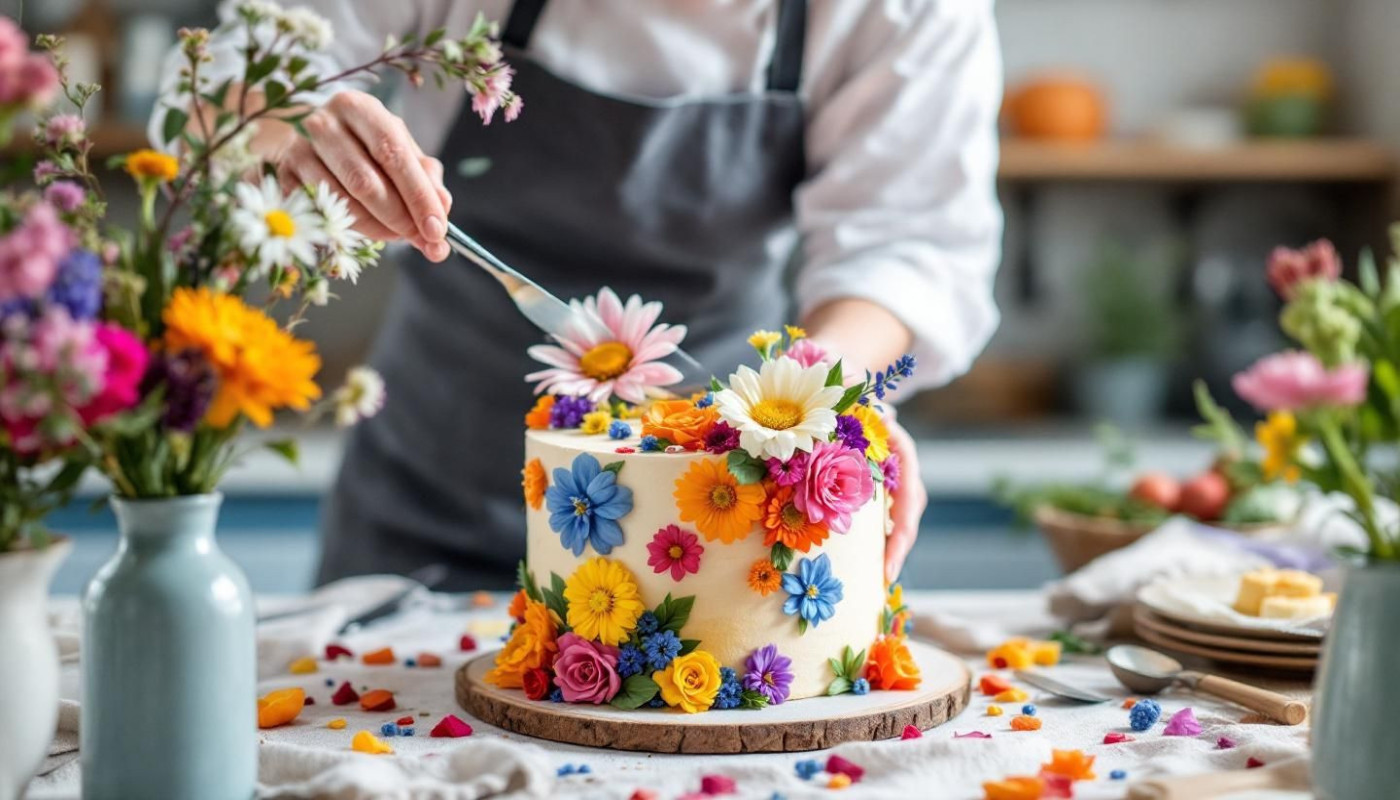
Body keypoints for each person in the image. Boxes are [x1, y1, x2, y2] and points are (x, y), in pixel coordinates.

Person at [154, 0, 1003, 590]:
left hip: (714, 525)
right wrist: (287, 127)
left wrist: (809, 396)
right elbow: (221, 89)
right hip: (426, 509)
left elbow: (910, 245)